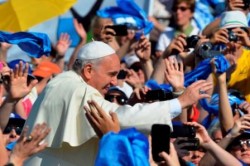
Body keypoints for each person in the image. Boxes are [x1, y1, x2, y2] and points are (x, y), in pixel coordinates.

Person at [24, 41, 212, 165]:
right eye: (111, 74)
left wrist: (130, 102)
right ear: (88, 70)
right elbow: (119, 118)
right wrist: (180, 102)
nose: (114, 82)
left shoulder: (65, 83)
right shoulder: (74, 88)